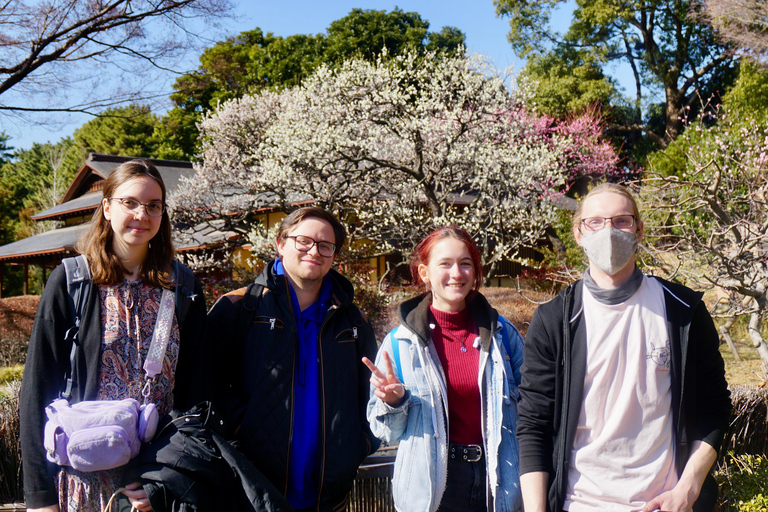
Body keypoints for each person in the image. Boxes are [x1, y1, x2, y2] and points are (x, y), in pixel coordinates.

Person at [516, 183, 731, 512]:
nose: (608, 231)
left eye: (621, 221)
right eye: (595, 222)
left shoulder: (682, 312)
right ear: (578, 234)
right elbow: (534, 423)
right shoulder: (555, 320)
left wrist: (687, 490)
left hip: (664, 504)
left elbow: (713, 407)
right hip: (580, 503)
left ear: (639, 230)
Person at [19, 160, 207, 512]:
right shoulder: (72, 282)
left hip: (155, 482)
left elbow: (196, 393)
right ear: (106, 207)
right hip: (81, 477)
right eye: (130, 203)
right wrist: (39, 498)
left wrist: (166, 479)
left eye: (154, 206)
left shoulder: (183, 287)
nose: (142, 214)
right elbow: (36, 389)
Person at [206, 206, 380, 512]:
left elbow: (370, 392)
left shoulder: (351, 320)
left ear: (333, 255)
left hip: (329, 493)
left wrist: (359, 445)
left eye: (325, 246)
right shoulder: (238, 308)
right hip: (251, 490)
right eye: (304, 241)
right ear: (280, 244)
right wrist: (240, 434)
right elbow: (206, 388)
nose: (314, 251)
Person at [364, 226, 524, 512]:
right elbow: (386, 433)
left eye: (465, 264)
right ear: (425, 273)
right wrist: (395, 402)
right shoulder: (400, 343)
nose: (457, 273)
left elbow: (530, 413)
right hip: (434, 488)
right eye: (445, 264)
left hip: (498, 479)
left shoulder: (503, 336)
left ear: (475, 272)